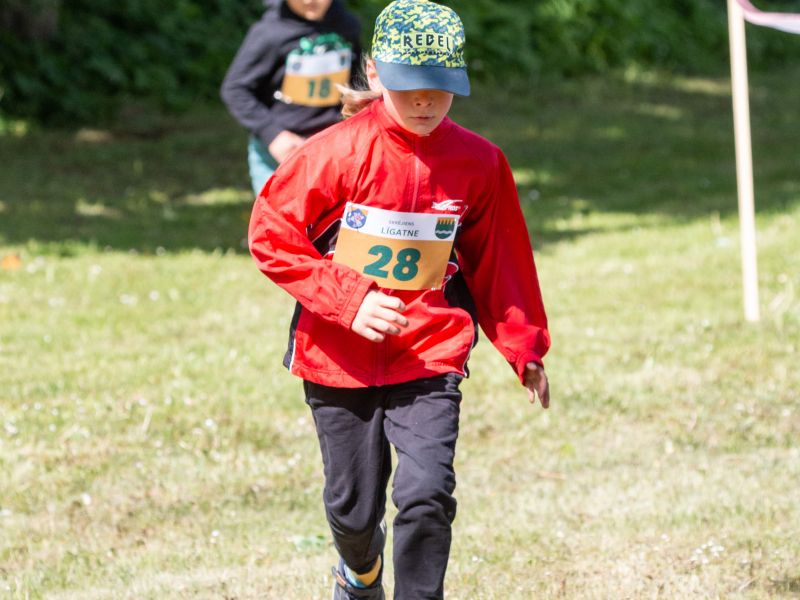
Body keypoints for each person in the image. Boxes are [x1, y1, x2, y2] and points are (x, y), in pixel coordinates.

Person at [247, 0, 551, 597]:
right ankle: (359, 574)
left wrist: (524, 347)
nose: (425, 101)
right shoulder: (333, 153)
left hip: (430, 353)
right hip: (338, 357)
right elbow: (270, 233)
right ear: (375, 73)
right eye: (410, 85)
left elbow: (502, 263)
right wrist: (350, 301)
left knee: (426, 494)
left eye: (441, 87)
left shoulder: (481, 164)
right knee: (353, 513)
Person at [221, 0, 362, 196]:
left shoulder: (347, 26)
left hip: (333, 147)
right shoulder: (269, 33)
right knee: (280, 214)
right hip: (281, 150)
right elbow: (235, 89)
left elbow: (355, 83)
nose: (310, 0)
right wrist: (272, 133)